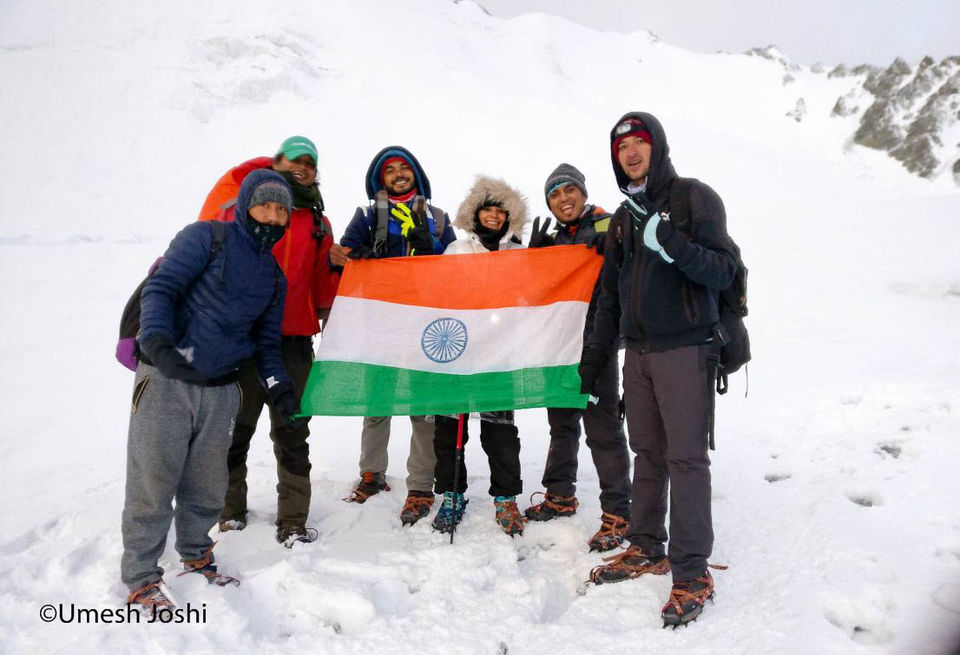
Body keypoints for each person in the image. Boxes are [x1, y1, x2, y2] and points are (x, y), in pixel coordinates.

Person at [581, 112, 738, 626]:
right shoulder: (623, 217)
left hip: (688, 348)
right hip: (639, 353)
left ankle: (693, 571)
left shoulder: (694, 198)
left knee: (686, 459)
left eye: (639, 142)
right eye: (621, 146)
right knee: (647, 451)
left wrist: (668, 240)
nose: (629, 152)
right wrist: (594, 359)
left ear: (657, 147)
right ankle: (647, 545)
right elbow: (608, 296)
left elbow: (723, 269)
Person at [122, 170, 302, 611]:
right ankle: (141, 577)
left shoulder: (273, 276)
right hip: (167, 378)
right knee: (153, 480)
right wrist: (158, 340)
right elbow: (162, 289)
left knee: (207, 485)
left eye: (282, 210)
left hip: (222, 387)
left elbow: (265, 343)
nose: (274, 216)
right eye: (266, 205)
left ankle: (196, 554)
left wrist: (278, 386)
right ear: (246, 205)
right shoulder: (206, 237)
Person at [199, 135, 340, 547]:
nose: (303, 167)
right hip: (239, 342)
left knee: (293, 433)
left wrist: (335, 274)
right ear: (277, 162)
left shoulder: (318, 222)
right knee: (233, 430)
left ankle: (293, 520)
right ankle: (229, 511)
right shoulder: (241, 211)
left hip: (293, 342)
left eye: (310, 163)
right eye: (295, 160)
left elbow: (321, 285)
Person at [330, 146, 456, 525]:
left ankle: (420, 486)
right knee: (377, 402)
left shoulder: (438, 218)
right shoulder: (366, 217)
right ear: (380, 179)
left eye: (405, 168)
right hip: (381, 322)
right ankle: (372, 474)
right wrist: (355, 257)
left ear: (416, 175)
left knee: (424, 408)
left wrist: (430, 246)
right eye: (391, 170)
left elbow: (454, 265)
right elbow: (341, 257)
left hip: (425, 325)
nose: (399, 174)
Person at [524, 163, 632, 552]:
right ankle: (559, 495)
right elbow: (535, 294)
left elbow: (637, 270)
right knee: (562, 426)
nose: (563, 198)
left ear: (583, 193)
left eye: (569, 190)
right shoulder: (551, 238)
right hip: (559, 347)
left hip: (597, 347)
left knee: (602, 432)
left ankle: (619, 512)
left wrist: (620, 249)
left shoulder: (612, 223)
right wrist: (531, 261)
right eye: (554, 193)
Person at [430, 175, 529, 537]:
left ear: (508, 217)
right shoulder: (456, 251)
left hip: (500, 355)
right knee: (448, 430)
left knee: (500, 431)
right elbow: (438, 296)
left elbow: (528, 302)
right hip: (456, 354)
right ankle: (452, 494)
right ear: (474, 213)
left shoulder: (518, 254)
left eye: (499, 211)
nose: (492, 216)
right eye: (486, 209)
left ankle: (506, 498)